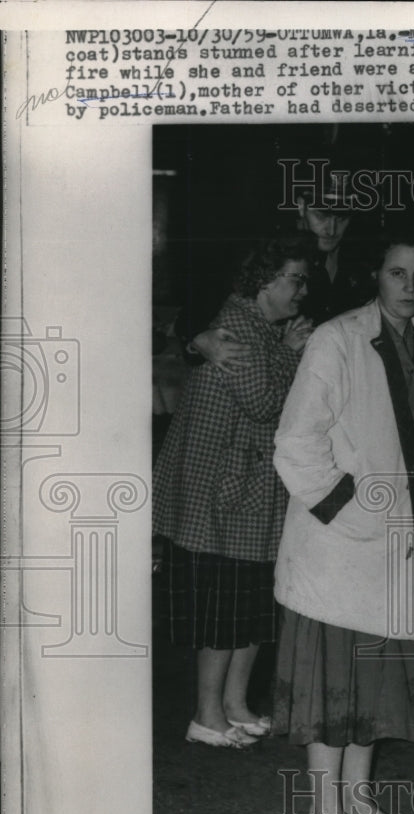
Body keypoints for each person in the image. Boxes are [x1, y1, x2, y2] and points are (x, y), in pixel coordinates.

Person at [272, 234, 414, 814]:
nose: (410, 285)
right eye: (397, 271)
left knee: (373, 677)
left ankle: (357, 797)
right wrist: (341, 506)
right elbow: (296, 440)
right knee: (334, 684)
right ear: (374, 274)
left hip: (400, 542)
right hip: (342, 544)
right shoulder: (336, 339)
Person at [152, 236, 315, 748]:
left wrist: (284, 350)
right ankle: (205, 715)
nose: (302, 291)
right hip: (222, 493)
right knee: (223, 610)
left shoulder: (260, 327)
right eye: (295, 278)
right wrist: (292, 356)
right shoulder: (237, 326)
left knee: (249, 604)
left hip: (244, 490)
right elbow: (266, 400)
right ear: (264, 280)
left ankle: (235, 704)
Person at [185, 171, 373, 373]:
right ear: (301, 206)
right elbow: (195, 316)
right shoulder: (270, 253)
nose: (332, 229)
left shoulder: (359, 265)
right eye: (321, 215)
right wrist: (198, 341)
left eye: (342, 218)